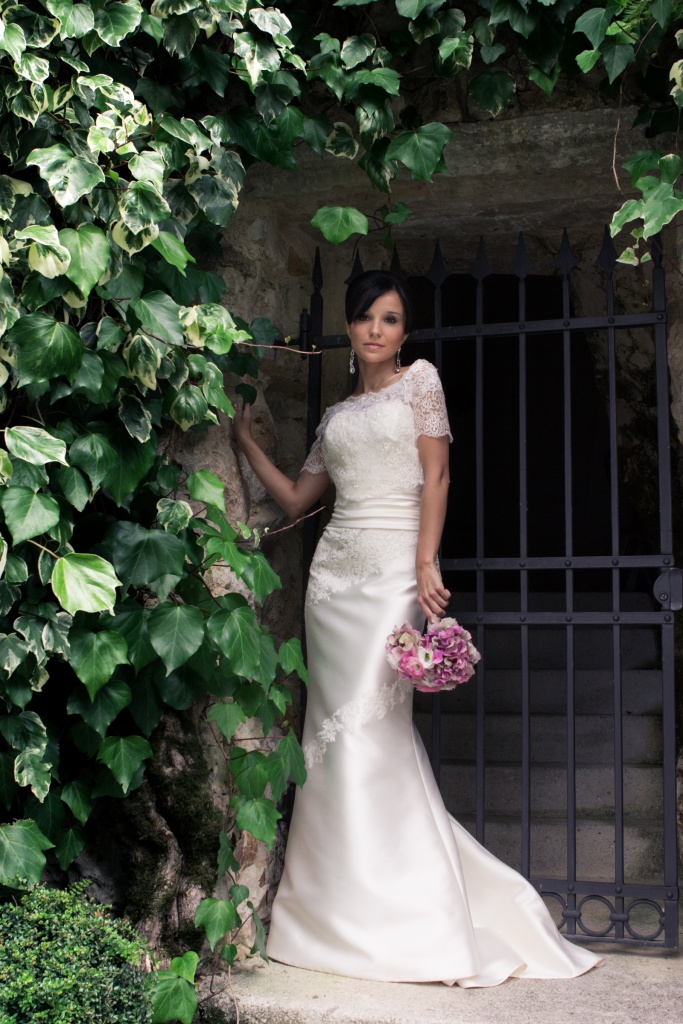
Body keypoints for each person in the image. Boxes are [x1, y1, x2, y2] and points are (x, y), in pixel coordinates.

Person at [232, 270, 602, 987]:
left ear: (405, 331)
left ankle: (408, 914)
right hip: (331, 584)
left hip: (393, 574)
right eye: (366, 317)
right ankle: (327, 915)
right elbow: (299, 500)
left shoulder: (420, 382)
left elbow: (437, 477)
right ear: (350, 326)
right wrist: (246, 442)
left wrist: (425, 562)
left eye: (391, 318)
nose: (377, 330)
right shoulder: (336, 415)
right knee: (328, 738)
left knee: (373, 730)